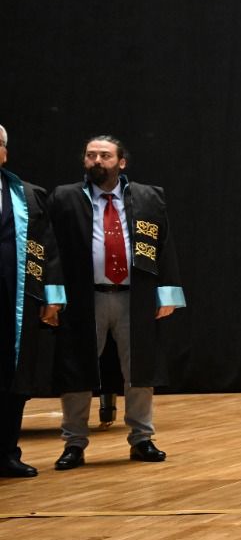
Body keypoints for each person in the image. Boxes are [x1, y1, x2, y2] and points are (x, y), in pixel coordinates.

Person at [51, 135, 185, 470]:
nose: (97, 161)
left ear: (121, 162)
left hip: (134, 297)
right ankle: (74, 443)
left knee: (139, 369)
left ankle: (142, 438)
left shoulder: (148, 196)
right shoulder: (66, 197)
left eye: (105, 155)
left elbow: (164, 245)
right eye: (91, 155)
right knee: (77, 367)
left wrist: (167, 294)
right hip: (85, 298)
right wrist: (53, 296)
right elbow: (52, 249)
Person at [1, 124, 66, 478]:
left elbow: (48, 249)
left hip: (15, 301)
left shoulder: (27, 195)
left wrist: (52, 297)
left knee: (13, 379)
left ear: (4, 153)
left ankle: (6, 454)